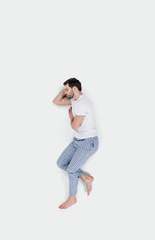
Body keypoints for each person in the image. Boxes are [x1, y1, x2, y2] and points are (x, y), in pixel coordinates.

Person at [52, 78, 99, 209]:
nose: (65, 92)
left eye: (67, 89)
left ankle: (72, 198)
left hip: (88, 142)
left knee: (71, 169)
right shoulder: (75, 100)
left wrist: (71, 117)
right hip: (77, 141)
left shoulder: (83, 104)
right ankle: (85, 177)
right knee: (61, 163)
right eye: (65, 90)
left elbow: (74, 126)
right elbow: (56, 101)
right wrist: (66, 91)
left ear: (75, 89)